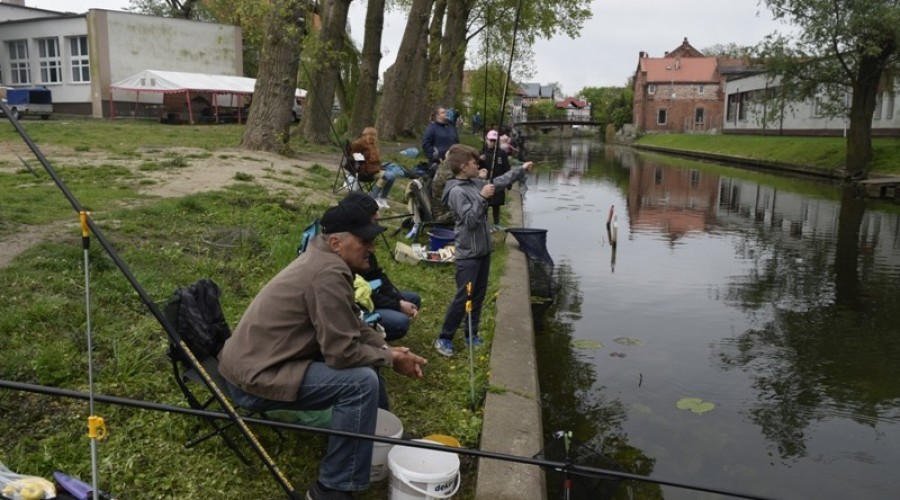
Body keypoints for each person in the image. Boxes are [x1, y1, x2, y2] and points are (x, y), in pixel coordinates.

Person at [218, 201, 427, 499]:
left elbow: (352, 323)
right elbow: (341, 354)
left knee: (370, 363)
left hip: (259, 363)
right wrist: (391, 358)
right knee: (361, 382)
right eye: (365, 241)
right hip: (254, 379)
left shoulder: (324, 259)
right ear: (336, 242)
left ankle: (375, 436)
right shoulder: (327, 272)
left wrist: (384, 348)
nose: (372, 248)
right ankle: (331, 489)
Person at [433, 144, 535, 357]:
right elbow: (469, 221)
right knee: (464, 296)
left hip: (483, 251)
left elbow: (499, 182)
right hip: (468, 254)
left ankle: (471, 334)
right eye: (474, 163)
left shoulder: (475, 182)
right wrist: (482, 197)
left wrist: (521, 170)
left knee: (477, 296)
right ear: (463, 167)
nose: (478, 165)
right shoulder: (456, 192)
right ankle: (444, 337)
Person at [343, 192, 423, 342]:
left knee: (413, 299)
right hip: (358, 305)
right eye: (374, 213)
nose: (378, 216)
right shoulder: (350, 248)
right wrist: (397, 305)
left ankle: (378, 334)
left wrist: (398, 300)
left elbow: (377, 277)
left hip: (368, 292)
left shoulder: (363, 242)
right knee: (400, 322)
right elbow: (360, 296)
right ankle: (372, 339)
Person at [350, 127, 397, 209]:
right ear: (364, 135)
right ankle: (372, 198)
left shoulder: (374, 145)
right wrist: (362, 160)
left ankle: (382, 198)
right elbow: (353, 153)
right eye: (370, 135)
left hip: (375, 170)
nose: (372, 137)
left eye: (374, 135)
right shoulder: (360, 143)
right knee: (387, 176)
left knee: (391, 176)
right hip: (365, 172)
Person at [480, 130, 511, 229]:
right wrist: (480, 160)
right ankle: (485, 223)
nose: (492, 142)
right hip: (485, 183)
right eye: (490, 140)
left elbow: (506, 167)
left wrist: (508, 183)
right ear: (486, 139)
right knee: (485, 203)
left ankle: (497, 223)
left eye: (494, 141)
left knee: (496, 204)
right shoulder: (482, 153)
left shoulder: (501, 153)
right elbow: (477, 167)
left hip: (498, 182)